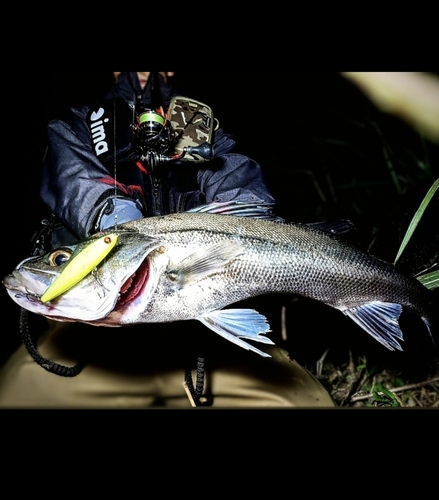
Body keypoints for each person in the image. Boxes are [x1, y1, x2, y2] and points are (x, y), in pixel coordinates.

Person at [0, 72, 335, 408]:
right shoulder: (76, 125)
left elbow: (244, 194)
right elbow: (77, 183)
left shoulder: (203, 128)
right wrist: (127, 238)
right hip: (90, 341)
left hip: (202, 335)